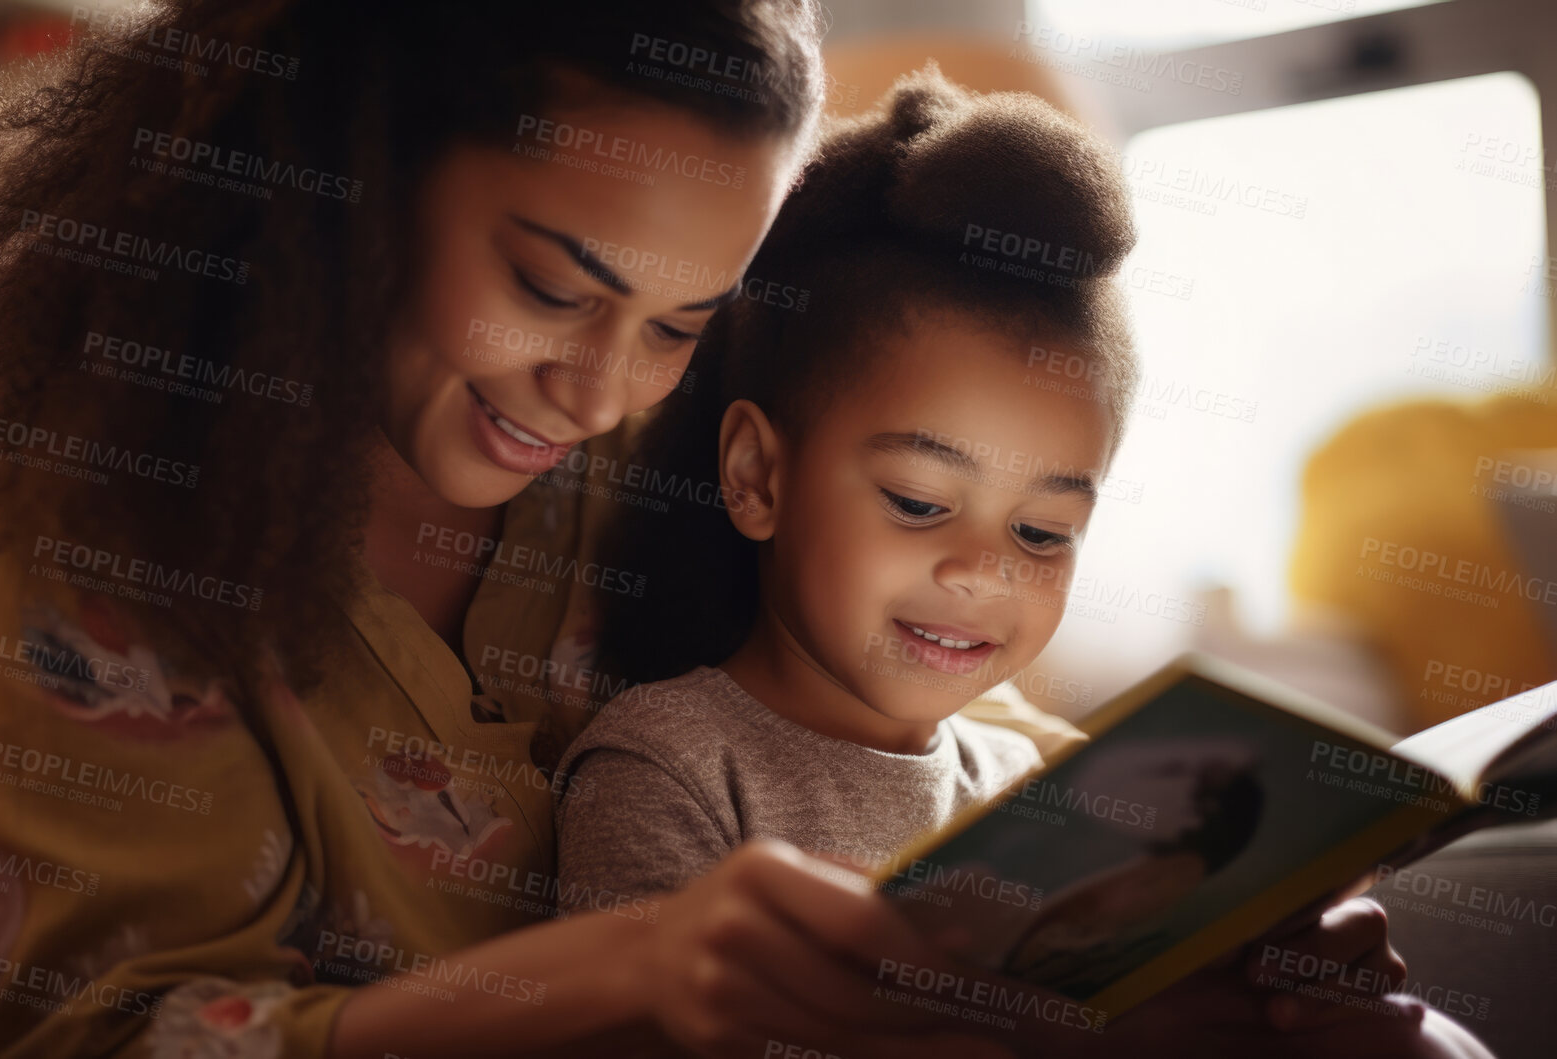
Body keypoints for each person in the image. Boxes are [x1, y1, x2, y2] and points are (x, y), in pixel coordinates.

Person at [561, 66, 1499, 1058]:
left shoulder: (1037, 790)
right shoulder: (665, 762)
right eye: (919, 504)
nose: (984, 573)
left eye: (1040, 533)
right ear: (756, 475)